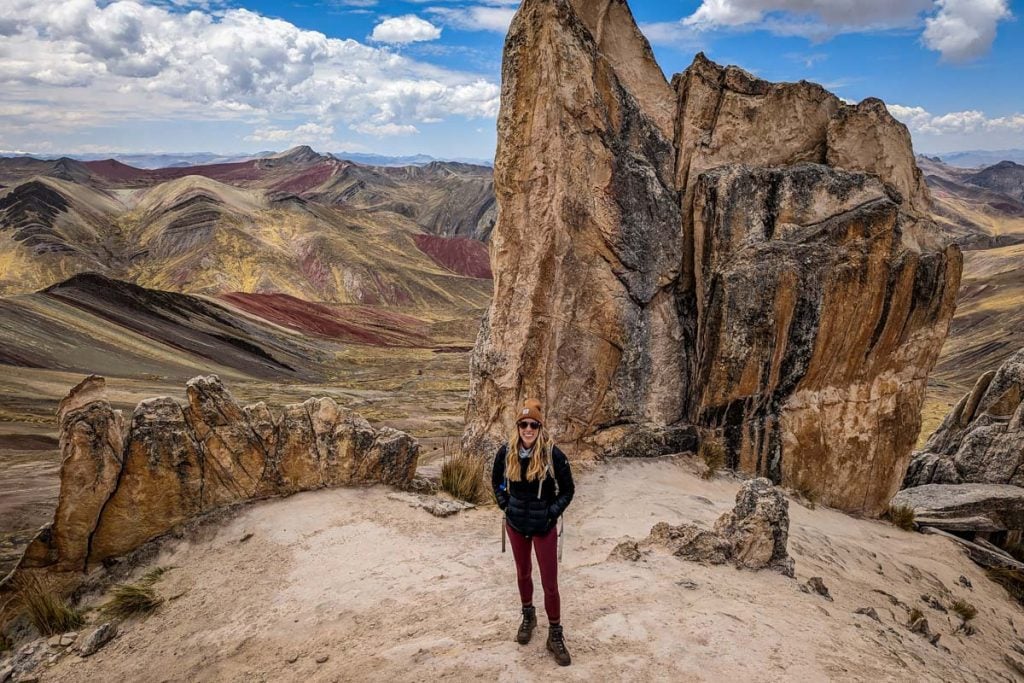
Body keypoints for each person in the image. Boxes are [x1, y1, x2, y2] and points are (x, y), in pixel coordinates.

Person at [491, 398, 575, 666]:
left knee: (550, 583)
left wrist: (551, 512)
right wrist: (506, 504)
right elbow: (497, 483)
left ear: (540, 427)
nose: (528, 429)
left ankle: (555, 633)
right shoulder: (506, 453)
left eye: (534, 425)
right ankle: (528, 615)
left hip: (543, 527)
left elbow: (568, 490)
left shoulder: (553, 455)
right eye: (524, 424)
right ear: (518, 426)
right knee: (523, 573)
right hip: (516, 525)